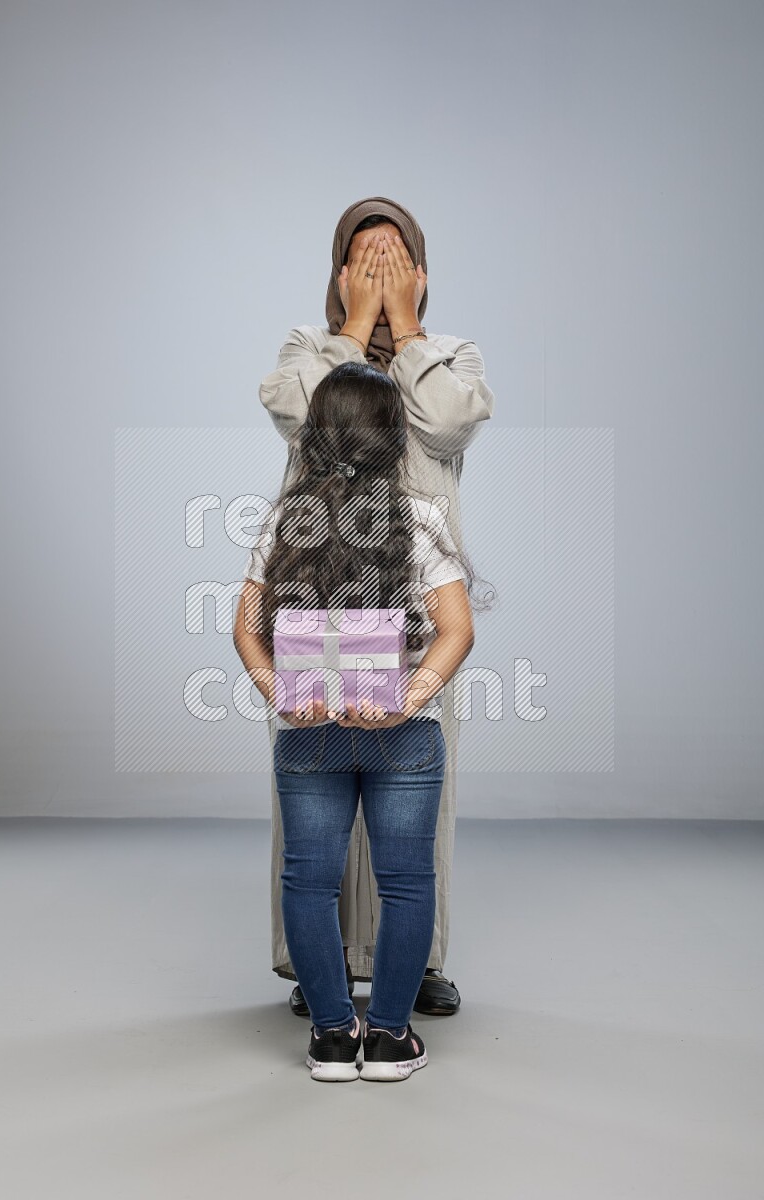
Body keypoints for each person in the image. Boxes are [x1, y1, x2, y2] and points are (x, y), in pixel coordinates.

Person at [258, 195, 495, 1017]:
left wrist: (408, 332)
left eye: (397, 257)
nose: (382, 269)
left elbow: (450, 426)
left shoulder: (452, 355)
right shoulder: (306, 349)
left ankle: (416, 962)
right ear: (340, 273)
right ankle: (314, 964)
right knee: (315, 779)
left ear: (422, 274)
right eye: (367, 257)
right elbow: (305, 420)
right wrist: (355, 335)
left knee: (421, 783)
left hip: (418, 604)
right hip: (319, 594)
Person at [234, 360, 485, 1080]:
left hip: (307, 731)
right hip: (401, 735)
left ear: (313, 437)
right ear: (393, 436)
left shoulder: (285, 519)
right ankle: (391, 1040)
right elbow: (457, 630)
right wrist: (409, 697)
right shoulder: (422, 517)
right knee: (406, 881)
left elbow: (245, 628)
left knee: (308, 882)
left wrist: (279, 691)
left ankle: (333, 1039)